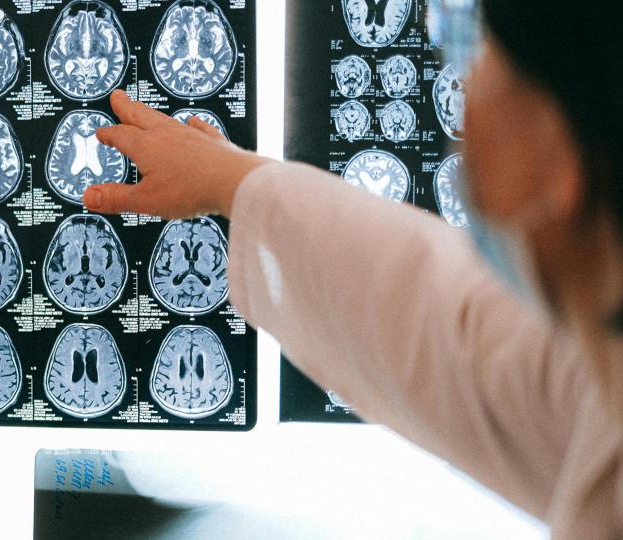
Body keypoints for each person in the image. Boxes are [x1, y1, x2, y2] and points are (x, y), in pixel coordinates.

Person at [82, 0, 623, 537]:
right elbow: (442, 325)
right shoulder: (602, 394)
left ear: (563, 159)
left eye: (478, 53)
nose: (465, 94)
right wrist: (231, 179)